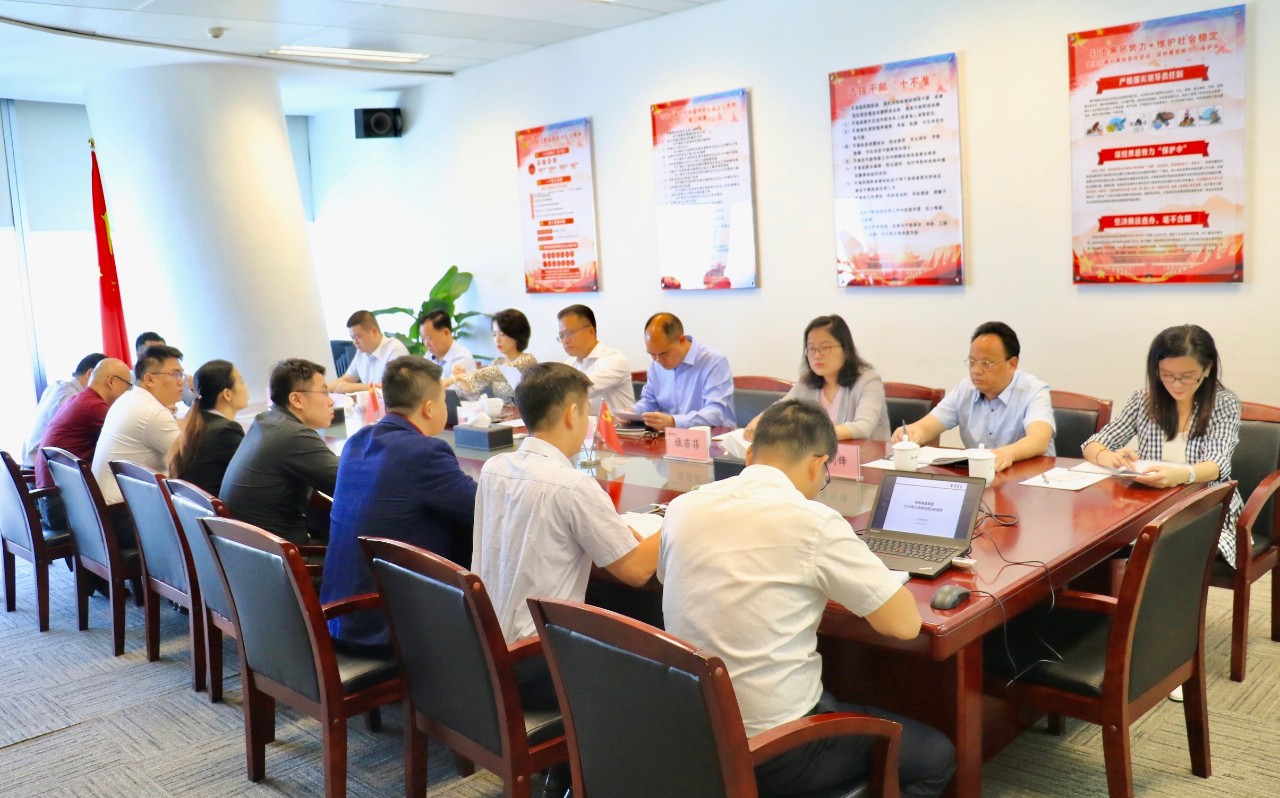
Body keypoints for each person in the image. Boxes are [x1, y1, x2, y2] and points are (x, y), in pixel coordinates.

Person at [660, 400, 955, 797]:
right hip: (776, 751)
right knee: (936, 756)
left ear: (750, 454)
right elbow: (903, 626)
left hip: (692, 733)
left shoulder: (683, 506)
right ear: (818, 464)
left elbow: (668, 577)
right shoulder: (814, 522)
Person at [473, 362, 659, 645]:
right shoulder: (573, 485)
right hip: (539, 650)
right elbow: (637, 571)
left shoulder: (493, 467)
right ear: (572, 414)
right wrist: (677, 519)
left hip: (488, 640)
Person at [320, 357, 477, 652]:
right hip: (384, 624)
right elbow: (481, 508)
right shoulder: (424, 451)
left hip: (336, 616)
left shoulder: (356, 442)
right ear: (429, 408)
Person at [1082, 324, 1242, 564]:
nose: (1176, 385)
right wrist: (1112, 458)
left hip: (1204, 509)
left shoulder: (1223, 403)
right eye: (1167, 375)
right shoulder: (1144, 400)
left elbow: (1216, 465)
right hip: (1149, 507)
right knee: (1097, 539)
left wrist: (1181, 475)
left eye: (1187, 376)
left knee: (1166, 551)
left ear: (1207, 368)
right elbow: (1093, 445)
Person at [893, 321, 1054, 470]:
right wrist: (912, 433)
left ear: (1012, 364)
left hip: (1027, 478)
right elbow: (927, 427)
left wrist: (1007, 453)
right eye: (972, 362)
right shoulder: (965, 390)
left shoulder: (1034, 391)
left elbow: (1039, 439)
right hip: (980, 477)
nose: (976, 370)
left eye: (986, 364)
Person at [220, 358, 338, 545]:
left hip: (244, 548)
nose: (331, 401)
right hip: (279, 555)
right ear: (296, 399)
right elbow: (348, 484)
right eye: (324, 392)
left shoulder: (267, 420)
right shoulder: (293, 435)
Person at [744, 314, 889, 441]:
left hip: (867, 458)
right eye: (812, 348)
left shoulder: (869, 382)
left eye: (825, 347)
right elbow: (783, 407)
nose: (817, 355)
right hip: (823, 458)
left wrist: (809, 434)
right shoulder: (807, 383)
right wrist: (761, 420)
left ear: (845, 349)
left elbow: (863, 427)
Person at [32, 358, 133, 530]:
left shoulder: (81, 400)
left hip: (51, 500)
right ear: (111, 381)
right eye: (128, 385)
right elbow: (131, 441)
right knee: (139, 520)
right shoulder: (95, 408)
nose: (129, 391)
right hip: (63, 506)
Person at [91, 345, 186, 507]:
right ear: (149, 379)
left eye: (182, 374)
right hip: (123, 509)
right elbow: (189, 460)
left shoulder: (128, 398)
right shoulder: (153, 412)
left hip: (107, 504)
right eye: (174, 374)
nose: (181, 381)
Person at [631, 312, 736, 430]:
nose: (658, 360)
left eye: (664, 353)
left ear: (682, 340)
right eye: (652, 354)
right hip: (669, 437)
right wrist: (632, 412)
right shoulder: (655, 363)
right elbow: (650, 402)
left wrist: (674, 422)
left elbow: (715, 414)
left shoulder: (714, 361)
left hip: (714, 436)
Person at [166, 360, 249, 497]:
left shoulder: (200, 423)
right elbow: (253, 475)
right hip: (219, 507)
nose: (246, 387)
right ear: (227, 394)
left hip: (198, 505)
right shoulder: (225, 431)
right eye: (241, 382)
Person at [22, 352, 106, 467]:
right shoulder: (74, 398)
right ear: (90, 374)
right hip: (40, 467)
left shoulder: (57, 386)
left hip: (31, 462)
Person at [442, 308, 537, 403]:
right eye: (494, 334)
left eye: (502, 334)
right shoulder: (499, 361)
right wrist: (462, 379)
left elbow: (494, 372)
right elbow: (473, 387)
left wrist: (454, 378)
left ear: (517, 335)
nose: (497, 340)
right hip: (502, 412)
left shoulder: (528, 360)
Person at [557, 303, 634, 413]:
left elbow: (582, 389)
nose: (565, 341)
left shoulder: (615, 360)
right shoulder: (569, 364)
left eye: (569, 333)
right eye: (561, 336)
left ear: (591, 332)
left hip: (619, 424)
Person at [329, 310, 411, 393]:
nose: (355, 342)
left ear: (374, 331)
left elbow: (395, 388)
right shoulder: (361, 353)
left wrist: (355, 387)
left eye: (358, 337)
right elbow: (346, 380)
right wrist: (324, 388)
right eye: (352, 338)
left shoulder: (395, 350)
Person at [422, 309, 477, 385]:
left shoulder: (462, 357)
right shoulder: (428, 356)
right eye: (423, 339)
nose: (426, 344)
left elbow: (449, 391)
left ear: (446, 332)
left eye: (429, 338)